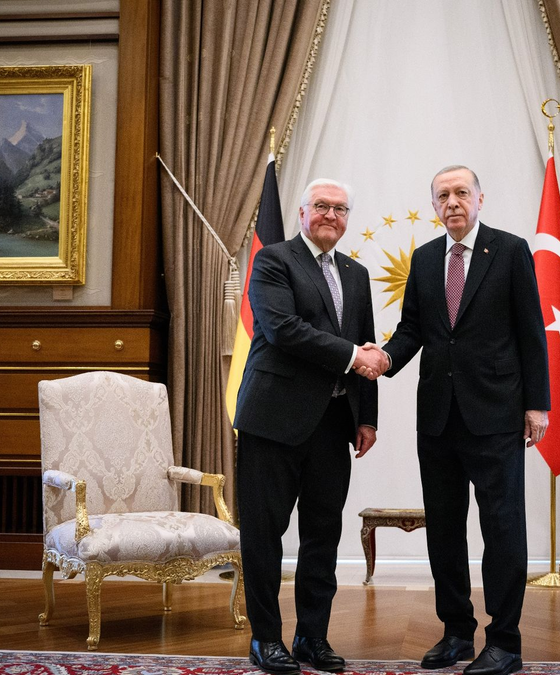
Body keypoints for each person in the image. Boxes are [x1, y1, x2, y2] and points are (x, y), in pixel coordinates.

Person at [372, 165, 550, 675]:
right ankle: (456, 632)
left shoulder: (511, 250)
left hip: (496, 416)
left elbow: (531, 332)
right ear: (434, 206)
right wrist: (383, 359)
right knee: (445, 531)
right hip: (438, 419)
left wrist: (537, 405)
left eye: (461, 193)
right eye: (443, 195)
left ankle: (506, 641)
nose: (453, 202)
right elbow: (412, 332)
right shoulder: (425, 259)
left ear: (479, 198)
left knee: (502, 528)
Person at [234, 178, 390, 675]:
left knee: (322, 536)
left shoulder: (357, 273)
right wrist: (352, 356)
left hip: (333, 425)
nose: (331, 215)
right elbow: (282, 329)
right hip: (273, 420)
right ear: (302, 213)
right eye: (321, 206)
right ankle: (265, 641)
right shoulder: (273, 259)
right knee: (264, 534)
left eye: (341, 208)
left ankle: (311, 638)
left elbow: (365, 344)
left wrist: (366, 416)